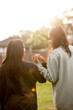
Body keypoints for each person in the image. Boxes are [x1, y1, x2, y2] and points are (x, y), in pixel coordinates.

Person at [33, 25, 73, 110]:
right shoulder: (72, 49)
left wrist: (39, 65)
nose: (49, 41)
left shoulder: (54, 54)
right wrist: (44, 62)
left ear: (56, 39)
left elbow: (52, 78)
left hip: (63, 102)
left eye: (50, 38)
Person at [0, 39, 46, 110]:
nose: (24, 50)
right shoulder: (31, 67)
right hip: (29, 107)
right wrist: (43, 62)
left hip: (10, 107)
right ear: (20, 51)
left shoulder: (2, 69)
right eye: (23, 48)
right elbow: (43, 79)